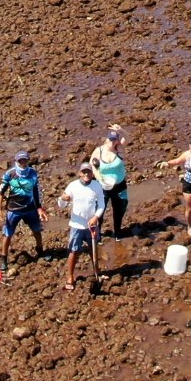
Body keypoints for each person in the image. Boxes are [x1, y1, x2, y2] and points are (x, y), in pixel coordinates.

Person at [0, 150, 46, 273]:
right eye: (20, 160)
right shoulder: (10, 174)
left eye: (25, 160)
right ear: (16, 161)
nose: (23, 162)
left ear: (28, 160)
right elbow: (0, 192)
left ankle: (41, 251)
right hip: (14, 209)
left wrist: (39, 208)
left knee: (37, 230)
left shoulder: (33, 173)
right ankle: (4, 258)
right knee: (7, 234)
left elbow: (35, 192)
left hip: (30, 209)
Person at [60, 161, 107, 294]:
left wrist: (95, 217)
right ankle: (70, 276)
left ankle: (97, 272)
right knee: (73, 251)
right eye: (84, 172)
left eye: (89, 172)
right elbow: (61, 204)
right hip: (76, 225)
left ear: (92, 173)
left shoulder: (97, 186)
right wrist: (63, 198)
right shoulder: (73, 186)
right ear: (80, 173)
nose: (86, 174)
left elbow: (102, 205)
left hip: (91, 225)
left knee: (94, 249)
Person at [88, 126, 130, 244]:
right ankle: (98, 233)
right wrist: (98, 176)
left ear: (117, 140)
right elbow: (92, 164)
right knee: (100, 210)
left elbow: (128, 138)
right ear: (106, 139)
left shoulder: (120, 150)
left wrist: (121, 130)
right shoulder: (99, 151)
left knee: (119, 210)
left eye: (115, 139)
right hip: (103, 187)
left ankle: (117, 232)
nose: (112, 142)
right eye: (110, 139)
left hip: (119, 186)